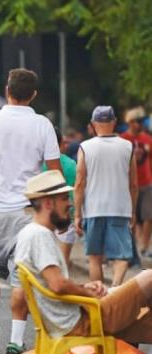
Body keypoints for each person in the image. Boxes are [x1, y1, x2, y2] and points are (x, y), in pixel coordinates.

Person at [0, 68, 61, 354]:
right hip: (29, 212)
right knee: (23, 275)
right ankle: (16, 340)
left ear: (7, 89)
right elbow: (54, 173)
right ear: (33, 95)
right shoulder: (43, 125)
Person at [16, 170, 152, 348]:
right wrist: (88, 294)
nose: (70, 204)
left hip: (73, 318)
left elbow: (53, 284)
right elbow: (58, 285)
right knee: (149, 277)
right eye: (64, 199)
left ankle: (128, 350)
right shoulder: (39, 235)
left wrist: (83, 287)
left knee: (139, 305)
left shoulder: (30, 232)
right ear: (49, 203)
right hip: (80, 322)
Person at [74, 106, 137, 286]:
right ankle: (115, 288)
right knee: (122, 256)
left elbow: (79, 183)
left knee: (94, 257)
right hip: (120, 208)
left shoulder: (85, 147)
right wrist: (132, 211)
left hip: (93, 209)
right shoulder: (128, 146)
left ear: (93, 124)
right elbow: (133, 184)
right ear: (114, 122)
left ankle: (100, 295)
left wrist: (77, 214)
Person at [40, 128, 77, 265]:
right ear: (60, 143)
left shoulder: (38, 162)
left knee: (44, 259)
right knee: (63, 260)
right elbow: (78, 188)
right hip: (66, 213)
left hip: (43, 214)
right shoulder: (71, 164)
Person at [120, 106, 152, 256]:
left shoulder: (148, 139)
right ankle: (132, 247)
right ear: (130, 122)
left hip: (146, 182)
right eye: (138, 121)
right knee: (131, 217)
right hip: (128, 184)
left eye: (142, 121)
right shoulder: (123, 139)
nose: (140, 124)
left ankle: (145, 247)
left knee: (148, 215)